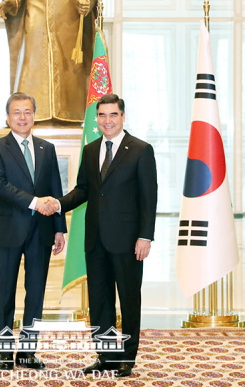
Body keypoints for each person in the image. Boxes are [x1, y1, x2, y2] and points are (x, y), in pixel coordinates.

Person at [51, 94, 157, 377]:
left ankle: (127, 357)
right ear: (96, 120)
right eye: (102, 116)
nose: (107, 121)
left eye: (113, 115)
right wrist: (58, 203)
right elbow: (84, 189)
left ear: (123, 117)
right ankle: (106, 355)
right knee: (99, 300)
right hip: (96, 239)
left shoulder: (140, 150)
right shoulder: (91, 149)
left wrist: (145, 237)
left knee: (129, 298)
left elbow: (149, 198)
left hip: (128, 241)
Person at [0, 92, 67, 370]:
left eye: (28, 112)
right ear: (7, 117)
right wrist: (35, 202)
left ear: (34, 115)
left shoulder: (46, 148)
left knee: (36, 292)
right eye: (17, 112)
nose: (22, 117)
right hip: (9, 230)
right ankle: (6, 353)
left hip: (41, 232)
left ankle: (28, 352)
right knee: (5, 292)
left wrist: (59, 228)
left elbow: (55, 188)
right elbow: (0, 186)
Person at [0, 0, 100, 124]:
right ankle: (31, 115)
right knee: (33, 63)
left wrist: (88, 0)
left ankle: (71, 115)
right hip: (35, 10)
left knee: (69, 66)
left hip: (68, 12)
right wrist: (12, 0)